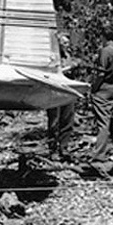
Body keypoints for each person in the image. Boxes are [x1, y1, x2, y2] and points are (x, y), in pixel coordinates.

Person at [88, 29, 113, 163]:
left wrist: (94, 88)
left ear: (104, 37)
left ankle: (99, 155)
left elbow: (101, 73)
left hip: (104, 88)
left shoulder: (105, 51)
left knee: (103, 122)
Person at [46, 33, 77, 161]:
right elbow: (49, 73)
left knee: (67, 119)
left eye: (67, 43)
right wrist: (67, 69)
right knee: (54, 121)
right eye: (64, 43)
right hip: (55, 92)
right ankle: (53, 149)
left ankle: (64, 148)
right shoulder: (52, 57)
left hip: (68, 91)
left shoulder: (68, 56)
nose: (66, 45)